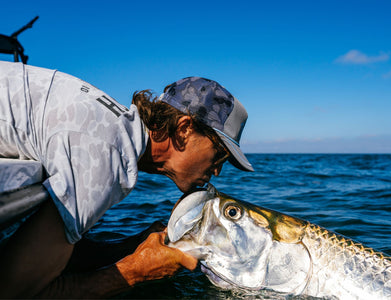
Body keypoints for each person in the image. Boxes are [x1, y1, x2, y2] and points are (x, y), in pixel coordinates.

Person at [0, 61, 253, 298]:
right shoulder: (106, 153)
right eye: (220, 153)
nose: (218, 170)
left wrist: (132, 246)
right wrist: (136, 271)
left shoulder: (114, 132)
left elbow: (65, 257)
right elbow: (15, 291)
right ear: (185, 129)